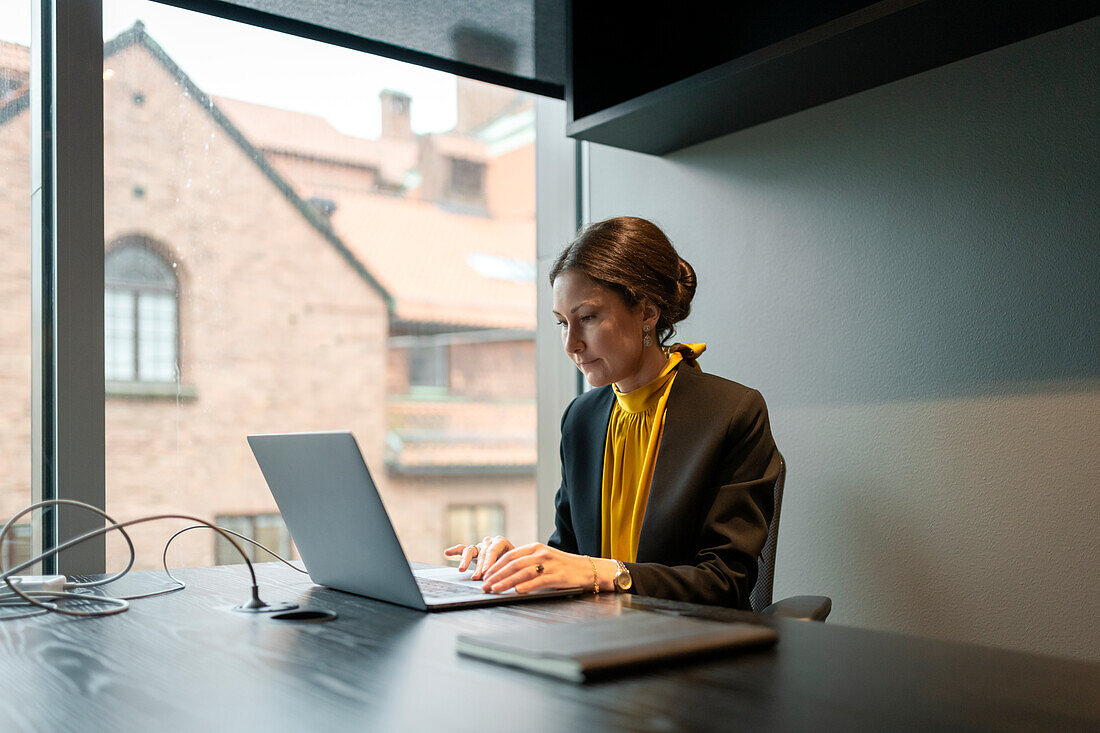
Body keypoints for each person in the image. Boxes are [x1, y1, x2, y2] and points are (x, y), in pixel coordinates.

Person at [445, 216, 780, 609]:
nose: (571, 344)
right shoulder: (581, 419)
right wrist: (521, 566)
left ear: (647, 312)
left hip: (687, 646)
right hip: (597, 639)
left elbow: (726, 583)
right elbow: (569, 553)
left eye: (587, 318)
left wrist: (604, 573)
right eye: (561, 323)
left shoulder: (732, 413)